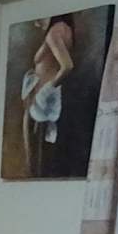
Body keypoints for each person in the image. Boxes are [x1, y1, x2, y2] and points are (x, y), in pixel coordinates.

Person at [21, 13, 75, 175]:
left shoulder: (55, 32)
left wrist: (45, 92)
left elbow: (67, 66)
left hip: (42, 103)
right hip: (43, 102)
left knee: (34, 161)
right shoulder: (66, 30)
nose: (36, 22)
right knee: (40, 160)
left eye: (39, 17)